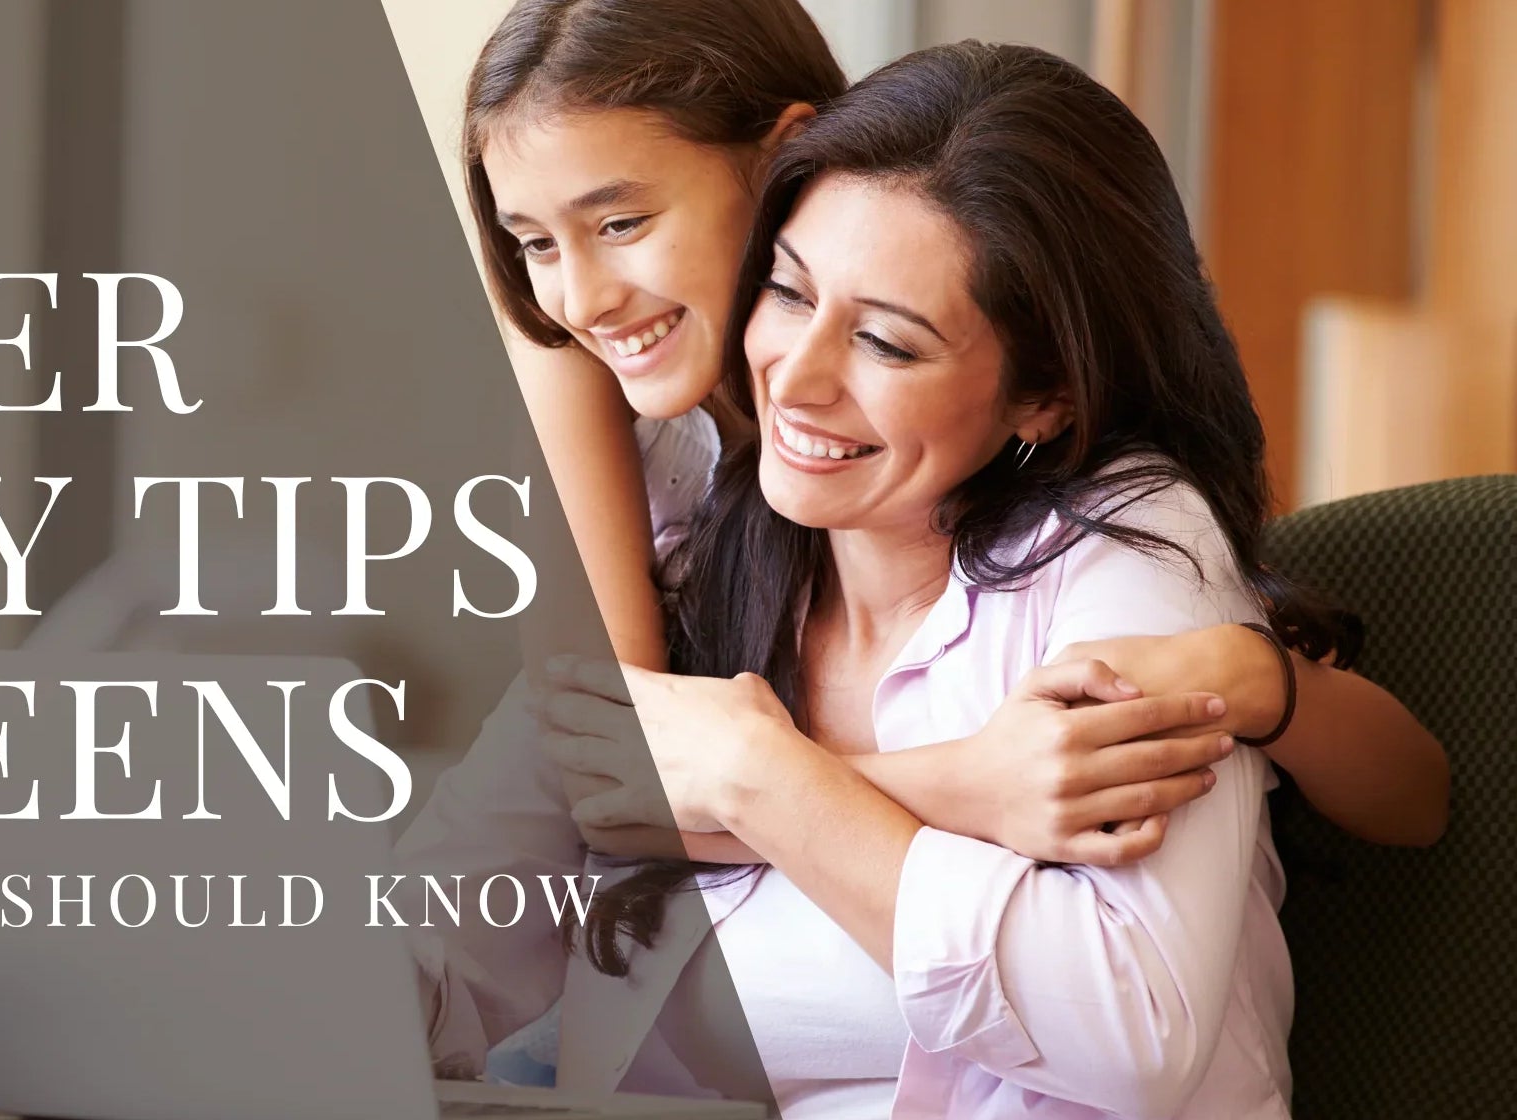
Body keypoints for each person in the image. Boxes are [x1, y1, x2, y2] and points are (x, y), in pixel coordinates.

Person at [443, 38, 1373, 1116]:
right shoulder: (714, 539)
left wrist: (765, 777)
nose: (793, 378)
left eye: (886, 342)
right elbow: (508, 861)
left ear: (1045, 396)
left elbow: (1133, 1033)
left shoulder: (1120, 556)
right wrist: (945, 779)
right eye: (785, 294)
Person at [462, 0, 1447, 857]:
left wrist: (1255, 675)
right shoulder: (579, 365)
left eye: (620, 224)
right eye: (534, 243)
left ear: (778, 153)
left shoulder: (1033, 463)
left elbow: (1415, 798)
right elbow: (605, 784)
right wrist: (966, 782)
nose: (579, 295)